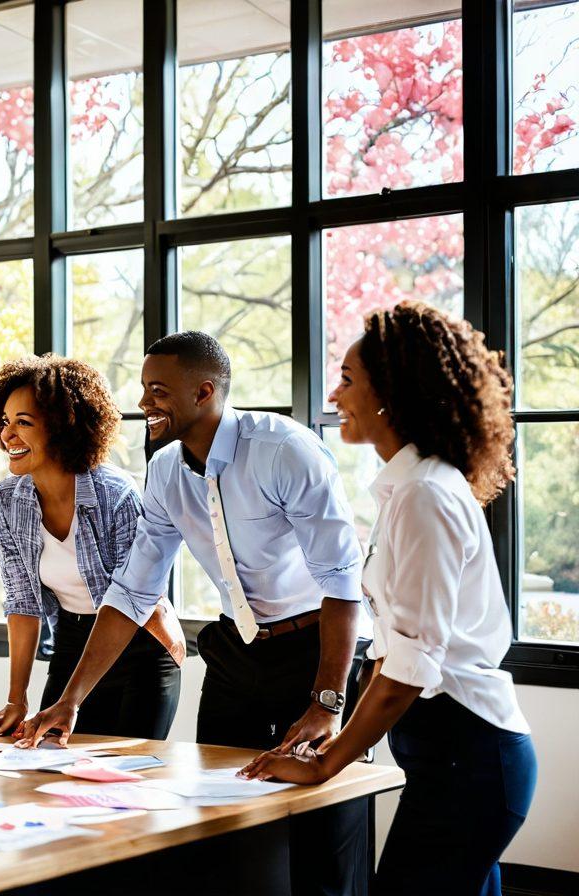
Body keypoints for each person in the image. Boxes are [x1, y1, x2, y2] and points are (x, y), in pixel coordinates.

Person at [21, 331, 370, 896]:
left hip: (319, 649)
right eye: (143, 389)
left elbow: (341, 579)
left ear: (205, 392)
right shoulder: (164, 472)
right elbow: (133, 592)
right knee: (218, 814)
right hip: (237, 649)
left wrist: (328, 701)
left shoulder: (284, 451)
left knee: (323, 828)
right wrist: (70, 700)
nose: (143, 404)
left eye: (158, 391)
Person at [241, 302, 537, 896]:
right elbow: (397, 649)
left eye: (348, 379)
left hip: (470, 758)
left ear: (391, 394)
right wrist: (336, 728)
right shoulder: (410, 489)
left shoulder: (425, 494)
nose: (335, 393)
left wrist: (328, 764)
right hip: (454, 757)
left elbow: (410, 667)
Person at [0, 355, 184, 741]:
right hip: (73, 641)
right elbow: (22, 603)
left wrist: (72, 700)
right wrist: (17, 700)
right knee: (44, 762)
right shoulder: (7, 500)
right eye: (5, 422)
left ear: (63, 427)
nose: (6, 436)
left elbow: (130, 599)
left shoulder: (115, 496)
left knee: (125, 785)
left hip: (140, 648)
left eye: (23, 423)